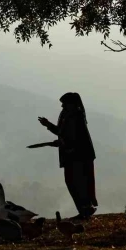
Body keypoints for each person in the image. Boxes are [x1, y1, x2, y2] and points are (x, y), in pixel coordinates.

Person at [38, 92, 98, 220]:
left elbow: (74, 140)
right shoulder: (67, 116)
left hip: (79, 156)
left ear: (72, 104)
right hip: (72, 156)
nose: (62, 106)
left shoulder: (76, 117)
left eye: (65, 104)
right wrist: (48, 125)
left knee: (78, 182)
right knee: (73, 182)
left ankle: (85, 210)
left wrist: (61, 143)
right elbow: (62, 133)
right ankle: (83, 210)